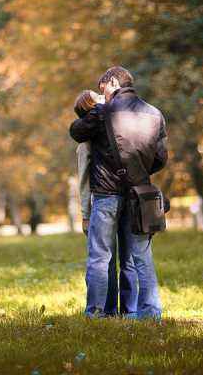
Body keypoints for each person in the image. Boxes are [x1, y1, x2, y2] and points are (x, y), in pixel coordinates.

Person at [69, 66, 168, 319]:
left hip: (107, 193)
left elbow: (76, 131)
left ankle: (97, 312)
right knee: (139, 256)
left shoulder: (104, 111)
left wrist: (98, 110)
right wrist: (136, 170)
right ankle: (149, 312)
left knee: (100, 256)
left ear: (112, 82)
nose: (102, 94)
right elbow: (160, 159)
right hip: (139, 194)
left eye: (102, 87)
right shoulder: (155, 114)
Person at [73, 89, 137, 317]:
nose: (105, 98)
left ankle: (126, 312)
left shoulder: (118, 128)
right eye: (98, 97)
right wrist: (85, 214)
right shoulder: (86, 143)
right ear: (92, 108)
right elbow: (83, 181)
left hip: (124, 197)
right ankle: (102, 311)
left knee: (124, 258)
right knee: (104, 260)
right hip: (104, 199)